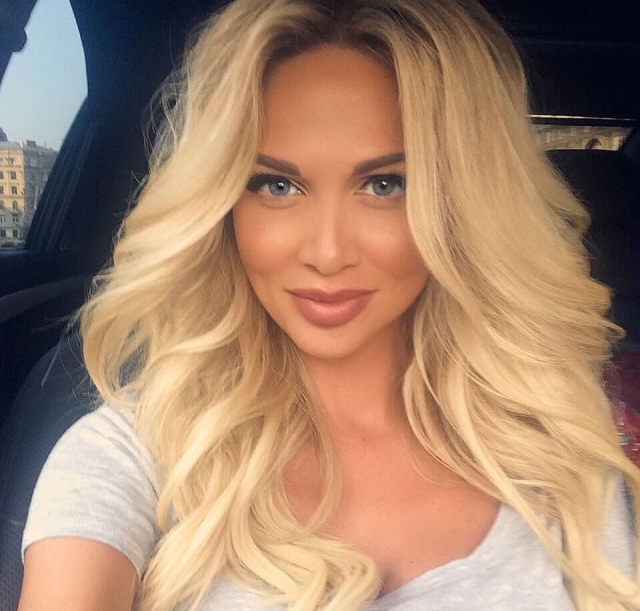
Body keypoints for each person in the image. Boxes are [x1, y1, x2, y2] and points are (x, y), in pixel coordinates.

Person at [17, 0, 640, 609]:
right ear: (223, 205)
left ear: (462, 204)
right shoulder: (136, 455)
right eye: (278, 185)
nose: (327, 252)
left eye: (385, 184)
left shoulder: (554, 433)